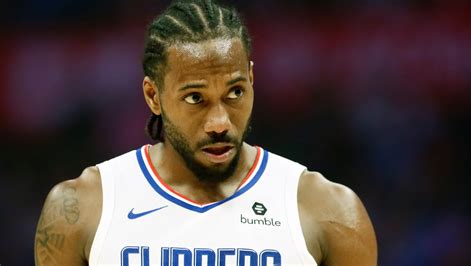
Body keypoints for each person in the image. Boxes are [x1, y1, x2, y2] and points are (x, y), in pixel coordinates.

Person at [34, 0, 377, 265]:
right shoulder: (83, 209)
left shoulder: (329, 212)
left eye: (235, 93)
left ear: (253, 81)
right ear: (153, 96)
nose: (220, 122)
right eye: (195, 98)